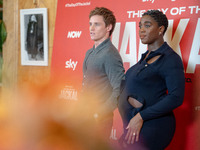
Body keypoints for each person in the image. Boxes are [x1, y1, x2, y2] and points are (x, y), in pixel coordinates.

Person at [118, 10, 185, 150]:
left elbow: (176, 97)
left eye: (147, 25)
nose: (141, 30)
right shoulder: (145, 58)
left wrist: (141, 116)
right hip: (134, 123)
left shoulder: (170, 59)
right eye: (140, 26)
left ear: (160, 29)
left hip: (152, 125)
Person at [82, 7, 125, 139]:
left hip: (99, 121)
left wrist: (98, 113)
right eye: (90, 24)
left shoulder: (110, 54)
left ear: (108, 27)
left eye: (97, 24)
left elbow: (120, 89)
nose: (91, 28)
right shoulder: (89, 52)